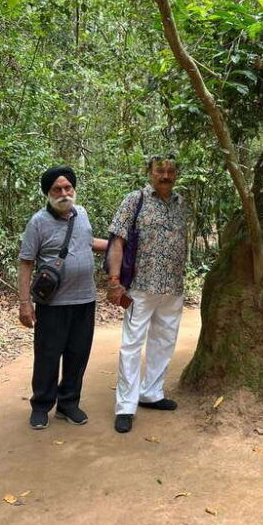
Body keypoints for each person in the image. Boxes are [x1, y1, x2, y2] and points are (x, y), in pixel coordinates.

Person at [18, 166, 108, 430]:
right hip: (53, 304)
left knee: (78, 354)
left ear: (74, 189)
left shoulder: (82, 214)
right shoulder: (38, 222)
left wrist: (121, 243)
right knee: (47, 355)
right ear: (48, 193)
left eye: (68, 187)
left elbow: (88, 242)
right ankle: (41, 405)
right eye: (57, 189)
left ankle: (68, 404)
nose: (64, 193)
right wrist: (25, 303)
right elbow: (26, 262)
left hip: (85, 300)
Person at [107, 155, 186, 434]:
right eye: (159, 171)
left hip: (172, 287)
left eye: (170, 171)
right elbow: (117, 240)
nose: (165, 175)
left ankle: (151, 393)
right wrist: (115, 281)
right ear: (149, 173)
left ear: (176, 174)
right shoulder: (134, 200)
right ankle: (125, 406)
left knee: (163, 342)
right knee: (131, 345)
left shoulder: (181, 203)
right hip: (140, 287)